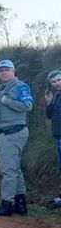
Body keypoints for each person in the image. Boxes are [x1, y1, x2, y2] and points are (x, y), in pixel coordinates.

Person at [0, 59, 34, 216]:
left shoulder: (20, 86)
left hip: (12, 133)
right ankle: (20, 204)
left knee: (8, 171)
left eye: (7, 69)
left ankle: (6, 204)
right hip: (6, 133)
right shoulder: (3, 88)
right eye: (0, 70)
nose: (3, 72)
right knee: (15, 169)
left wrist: (8, 101)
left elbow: (28, 106)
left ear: (13, 71)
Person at [45, 69, 61, 208]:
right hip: (57, 136)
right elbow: (49, 116)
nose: (57, 83)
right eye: (54, 82)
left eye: (59, 80)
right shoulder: (56, 95)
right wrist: (49, 103)